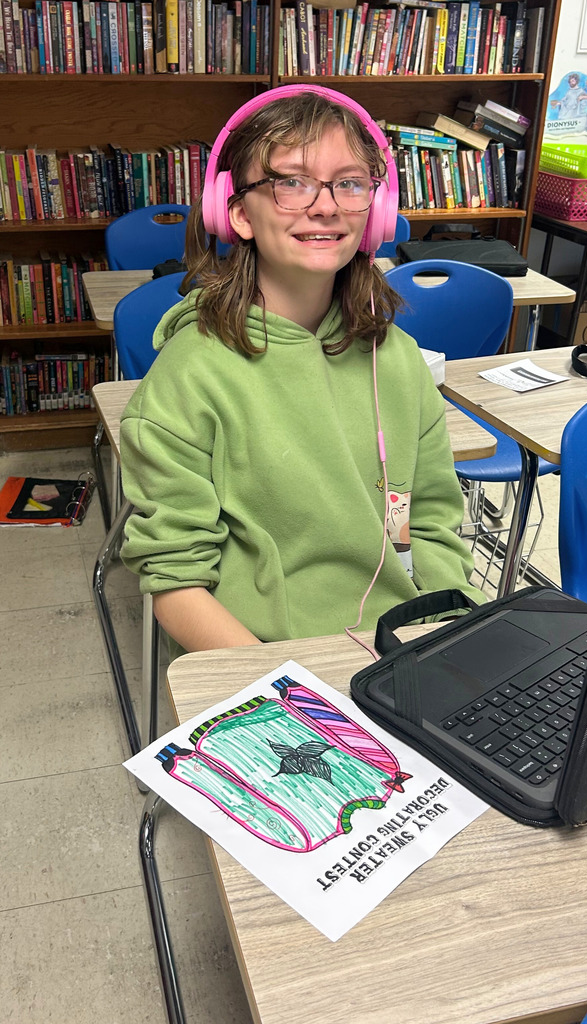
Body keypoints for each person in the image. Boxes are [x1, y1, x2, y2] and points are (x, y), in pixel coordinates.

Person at [119, 85, 485, 656]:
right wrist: (286, 695)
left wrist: (446, 640)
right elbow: (176, 579)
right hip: (269, 661)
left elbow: (434, 523)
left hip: (403, 648)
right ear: (236, 213)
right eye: (290, 181)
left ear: (376, 211)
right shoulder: (189, 377)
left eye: (349, 182)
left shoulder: (400, 359)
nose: (325, 205)